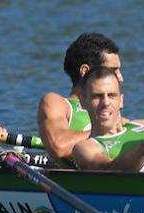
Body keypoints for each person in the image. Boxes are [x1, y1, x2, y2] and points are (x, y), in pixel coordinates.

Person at [37, 32, 123, 163]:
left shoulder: (110, 107)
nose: (120, 78)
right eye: (113, 70)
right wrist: (107, 132)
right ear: (85, 71)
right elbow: (59, 146)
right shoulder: (56, 103)